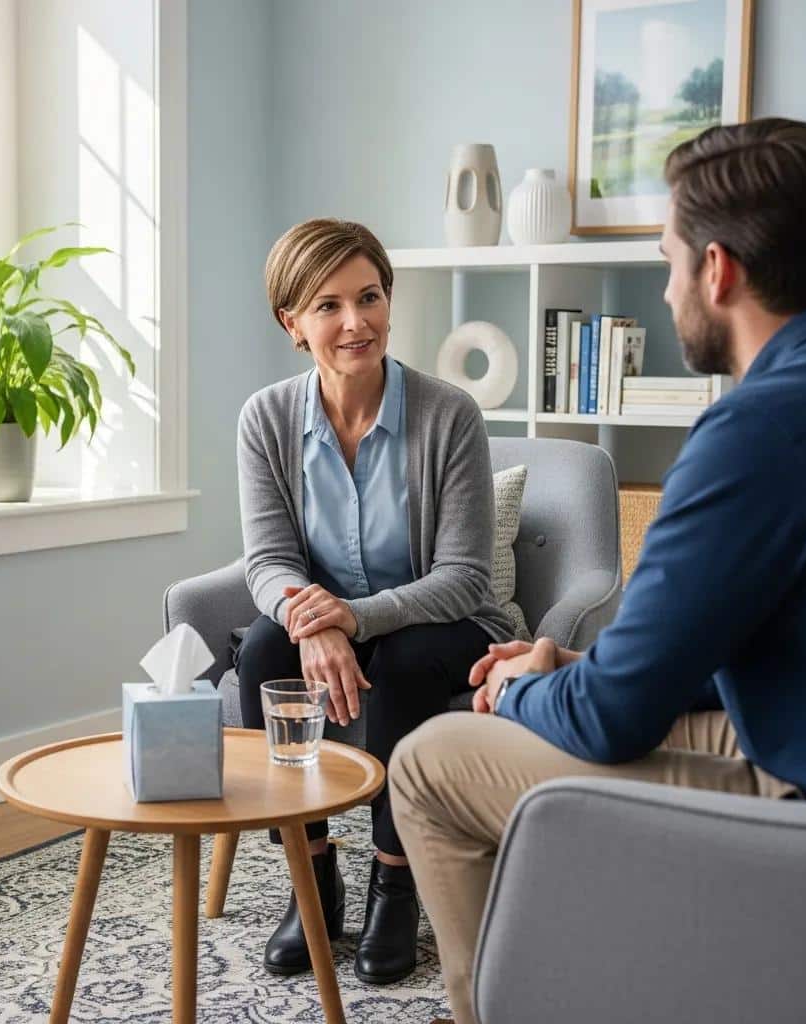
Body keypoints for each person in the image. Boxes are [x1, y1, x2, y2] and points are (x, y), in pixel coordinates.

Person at [389, 116, 806, 1024]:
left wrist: (518, 693)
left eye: (668, 262)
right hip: (799, 722)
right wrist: (579, 666)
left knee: (428, 761)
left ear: (719, 270)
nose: (667, 294)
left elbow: (610, 720)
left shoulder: (757, 431)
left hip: (804, 808)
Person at [235, 217, 515, 984]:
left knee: (405, 656)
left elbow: (465, 578)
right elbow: (268, 558)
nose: (355, 322)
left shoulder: (448, 414)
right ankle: (312, 877)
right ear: (291, 322)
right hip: (324, 621)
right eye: (327, 305)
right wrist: (307, 621)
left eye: (369, 297)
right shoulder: (265, 419)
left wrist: (351, 618)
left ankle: (395, 883)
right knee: (263, 650)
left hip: (438, 624)